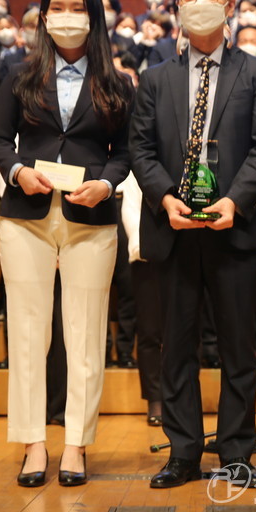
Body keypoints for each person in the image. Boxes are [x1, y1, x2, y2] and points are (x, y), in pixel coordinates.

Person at [129, 0, 256, 490]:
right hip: (172, 230)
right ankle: (184, 454)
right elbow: (140, 149)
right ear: (176, 6)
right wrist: (166, 198)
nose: (199, 2)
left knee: (240, 350)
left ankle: (237, 455)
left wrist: (235, 201)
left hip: (232, 230)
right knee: (177, 351)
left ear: (230, 4)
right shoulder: (155, 78)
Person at [0, 0, 131, 487]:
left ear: (92, 17)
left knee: (86, 335)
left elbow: (127, 154)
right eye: (58, 6)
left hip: (90, 217)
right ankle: (32, 444)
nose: (67, 15)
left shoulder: (116, 82)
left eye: (78, 7)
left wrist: (107, 186)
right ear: (45, 16)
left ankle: (75, 444)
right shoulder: (17, 75)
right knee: (27, 332)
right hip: (25, 218)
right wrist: (19, 171)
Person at [119, 173, 163, 426]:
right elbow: (131, 209)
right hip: (144, 258)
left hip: (181, 253)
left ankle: (180, 395)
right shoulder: (139, 170)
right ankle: (154, 399)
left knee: (183, 331)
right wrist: (142, 246)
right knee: (148, 332)